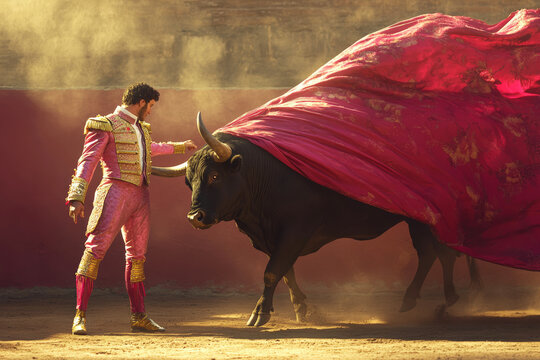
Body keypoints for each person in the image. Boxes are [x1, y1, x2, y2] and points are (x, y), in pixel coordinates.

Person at [66, 82, 197, 335]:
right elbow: (88, 161)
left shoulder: (141, 130)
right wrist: (76, 196)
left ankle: (139, 317)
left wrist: (180, 146)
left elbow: (151, 149)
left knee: (137, 258)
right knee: (94, 251)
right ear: (141, 102)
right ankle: (79, 316)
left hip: (140, 197)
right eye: (150, 107)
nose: (150, 112)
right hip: (114, 193)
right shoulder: (105, 124)